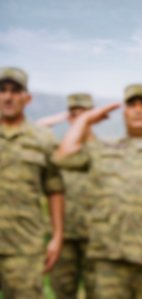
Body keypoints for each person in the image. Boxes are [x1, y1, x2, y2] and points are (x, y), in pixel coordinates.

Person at [53, 84, 142, 299]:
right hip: (108, 260)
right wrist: (86, 119)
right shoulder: (102, 150)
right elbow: (62, 157)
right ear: (124, 112)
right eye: (132, 105)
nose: (138, 109)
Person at [0, 67, 64, 298]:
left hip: (24, 246)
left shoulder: (43, 138)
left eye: (15, 91)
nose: (8, 96)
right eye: (2, 90)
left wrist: (57, 237)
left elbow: (55, 189)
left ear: (27, 98)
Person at [46, 93, 97, 299]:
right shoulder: (59, 151)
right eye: (74, 114)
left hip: (96, 238)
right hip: (64, 237)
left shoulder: (106, 150)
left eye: (84, 114)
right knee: (62, 292)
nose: (79, 118)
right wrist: (53, 120)